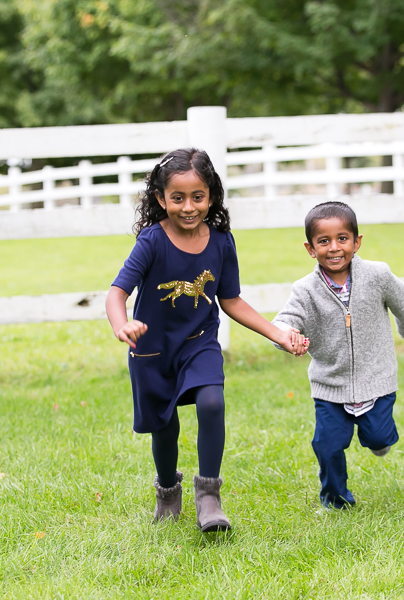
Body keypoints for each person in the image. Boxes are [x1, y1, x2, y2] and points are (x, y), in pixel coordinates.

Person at [105, 148, 308, 531]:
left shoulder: (221, 242)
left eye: (197, 196)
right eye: (177, 198)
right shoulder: (151, 241)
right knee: (165, 428)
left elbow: (229, 299)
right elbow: (117, 292)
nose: (187, 206)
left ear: (211, 196)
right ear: (161, 199)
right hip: (152, 350)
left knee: (212, 403)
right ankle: (167, 492)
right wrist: (122, 325)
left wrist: (277, 333)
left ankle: (209, 497)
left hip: (199, 342)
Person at [272, 201, 404, 509]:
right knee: (327, 445)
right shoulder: (305, 289)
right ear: (310, 247)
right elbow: (284, 320)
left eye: (342, 238)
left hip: (376, 378)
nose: (334, 248)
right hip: (330, 384)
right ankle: (336, 499)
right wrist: (286, 337)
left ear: (356, 242)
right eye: (323, 241)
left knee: (379, 438)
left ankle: (379, 440)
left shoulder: (377, 275)